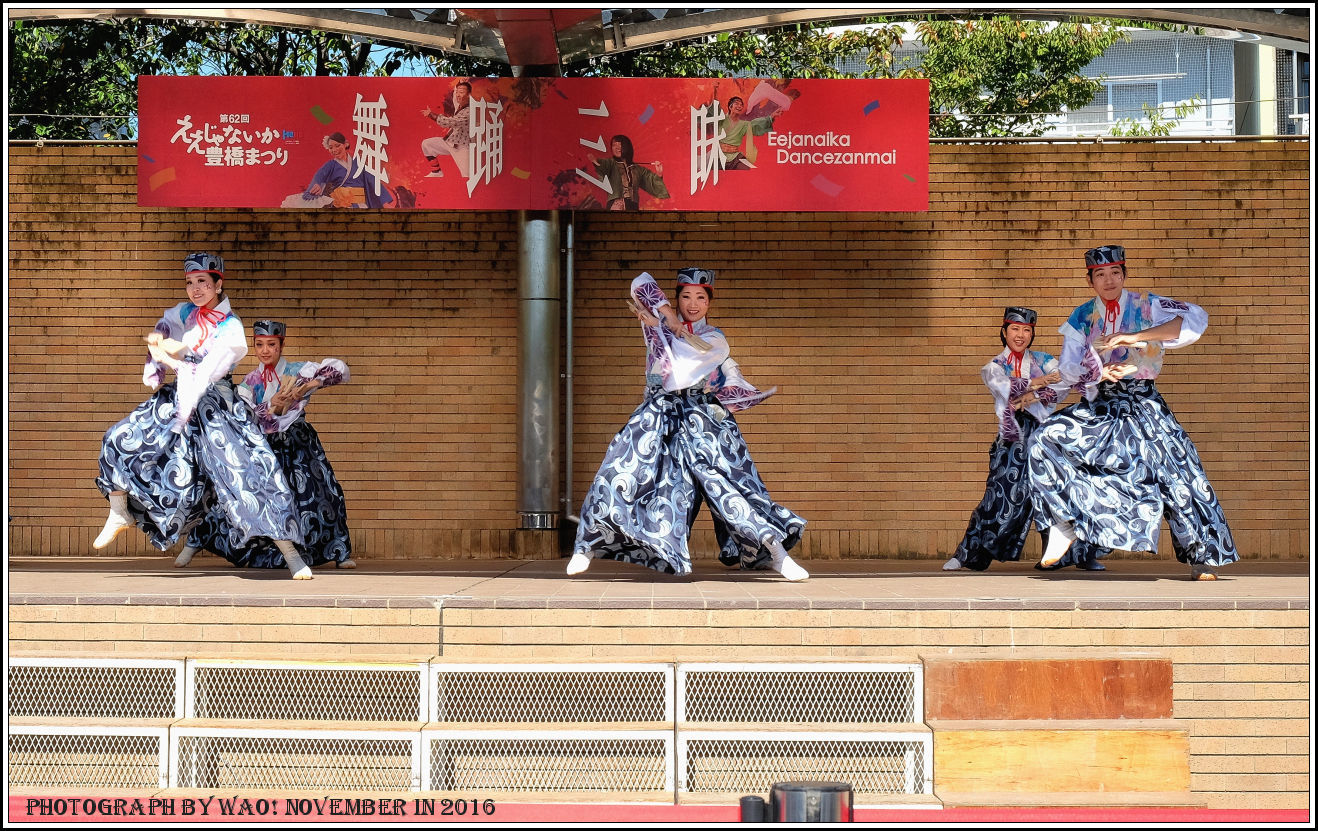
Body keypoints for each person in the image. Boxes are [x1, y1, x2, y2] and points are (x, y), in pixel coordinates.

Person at [568, 268, 808, 580]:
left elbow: (680, 367)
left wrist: (660, 325)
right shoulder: (665, 320)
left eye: (700, 297)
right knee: (619, 472)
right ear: (678, 299)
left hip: (702, 418)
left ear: (709, 303)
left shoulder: (715, 340)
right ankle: (585, 546)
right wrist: (665, 313)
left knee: (730, 486)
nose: (693, 303)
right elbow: (640, 282)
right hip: (657, 414)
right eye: (685, 296)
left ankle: (777, 554)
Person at [93, 253, 312, 579]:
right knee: (120, 438)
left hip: (216, 407)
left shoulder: (232, 326)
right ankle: (119, 511)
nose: (195, 289)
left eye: (202, 283)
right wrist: (157, 350)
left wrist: (172, 348)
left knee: (252, 475)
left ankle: (291, 554)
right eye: (190, 282)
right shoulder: (182, 313)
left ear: (218, 284)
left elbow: (209, 364)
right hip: (179, 400)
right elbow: (164, 332)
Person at [1028, 245, 1237, 580]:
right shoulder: (1080, 317)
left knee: (1177, 476)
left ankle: (1204, 556)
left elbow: (1193, 320)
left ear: (1124, 275)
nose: (1108, 280)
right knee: (1043, 439)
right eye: (1100, 274)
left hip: (1142, 402)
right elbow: (1069, 371)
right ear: (1090, 280)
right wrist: (1095, 374)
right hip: (1101, 404)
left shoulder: (1147, 305)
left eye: (1114, 273)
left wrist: (1134, 336)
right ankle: (1064, 524)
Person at [175, 320, 353, 571]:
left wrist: (310, 386)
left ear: (282, 344)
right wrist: (272, 407)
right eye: (259, 345)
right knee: (234, 497)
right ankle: (196, 542)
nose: (265, 350)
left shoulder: (299, 370)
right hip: (263, 448)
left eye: (271, 344)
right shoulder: (250, 381)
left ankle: (339, 551)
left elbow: (341, 370)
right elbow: (250, 417)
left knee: (323, 494)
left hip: (299, 443)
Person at [943, 308, 1106, 572]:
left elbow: (1065, 382)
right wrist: (1040, 381)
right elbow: (1004, 386)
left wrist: (1033, 395)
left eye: (1027, 330)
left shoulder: (1044, 359)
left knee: (1058, 491)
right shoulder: (993, 366)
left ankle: (1079, 555)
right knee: (1000, 497)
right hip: (1012, 438)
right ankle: (968, 555)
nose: (1021, 335)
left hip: (1043, 433)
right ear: (1004, 332)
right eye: (1015, 329)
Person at [288, 132, 394, 209]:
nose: (334, 150)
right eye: (331, 148)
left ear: (345, 144)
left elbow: (373, 180)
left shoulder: (359, 163)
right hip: (342, 207)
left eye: (337, 146)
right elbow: (320, 175)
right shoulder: (331, 165)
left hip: (361, 205)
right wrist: (318, 184)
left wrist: (384, 202)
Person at [590, 135, 670, 211]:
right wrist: (595, 162)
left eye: (620, 145)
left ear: (627, 147)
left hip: (632, 205)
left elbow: (651, 181)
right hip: (615, 205)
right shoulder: (610, 164)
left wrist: (659, 173)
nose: (617, 148)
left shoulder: (637, 169)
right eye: (614, 145)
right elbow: (602, 167)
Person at [420, 81, 473, 179]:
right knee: (427, 144)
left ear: (469, 95)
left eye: (461, 92)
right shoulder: (460, 105)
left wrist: (431, 115)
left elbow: (450, 122)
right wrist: (460, 83)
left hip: (461, 147)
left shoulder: (469, 111)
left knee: (467, 175)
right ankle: (437, 171)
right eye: (457, 92)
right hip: (449, 142)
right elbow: (454, 97)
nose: (458, 95)